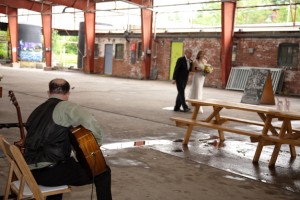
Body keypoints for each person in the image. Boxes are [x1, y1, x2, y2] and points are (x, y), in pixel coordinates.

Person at [23, 78, 112, 200]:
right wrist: (93, 146)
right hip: (52, 173)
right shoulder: (68, 108)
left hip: (31, 171)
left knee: (65, 167)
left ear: (48, 92)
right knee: (103, 173)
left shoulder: (37, 110)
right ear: (68, 94)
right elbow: (94, 128)